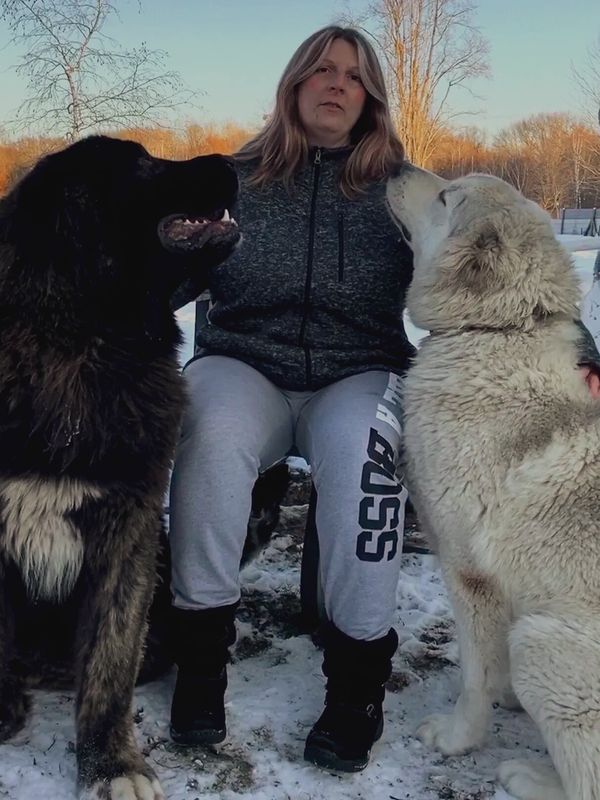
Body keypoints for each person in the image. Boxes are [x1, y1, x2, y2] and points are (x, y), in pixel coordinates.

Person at [167, 25, 600, 773]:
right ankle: (201, 662)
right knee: (208, 432)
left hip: (357, 371)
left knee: (365, 455)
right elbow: (166, 279)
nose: (338, 84)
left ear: (370, 98)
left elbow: (516, 274)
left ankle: (356, 685)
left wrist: (586, 355)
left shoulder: (402, 188)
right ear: (296, 83)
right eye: (323, 70)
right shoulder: (233, 179)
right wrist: (161, 262)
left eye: (355, 76)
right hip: (245, 363)